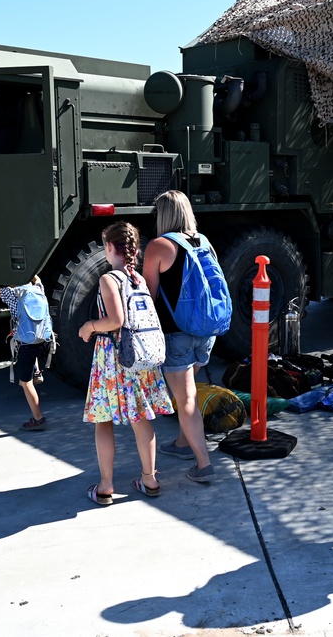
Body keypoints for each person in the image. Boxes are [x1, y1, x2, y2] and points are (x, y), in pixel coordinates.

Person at [78, 221, 172, 505]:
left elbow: (116, 321)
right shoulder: (138, 280)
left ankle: (106, 485)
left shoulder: (109, 279)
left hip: (113, 357)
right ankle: (149, 478)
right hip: (139, 357)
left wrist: (90, 326)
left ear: (109, 247)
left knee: (103, 420)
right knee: (141, 418)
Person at [143, 190, 217, 483]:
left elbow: (149, 295)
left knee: (185, 399)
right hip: (205, 331)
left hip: (177, 335)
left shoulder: (159, 246)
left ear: (163, 214)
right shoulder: (204, 242)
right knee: (189, 392)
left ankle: (204, 465)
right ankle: (183, 445)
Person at [0, 277, 51, 431]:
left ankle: (38, 419)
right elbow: (38, 278)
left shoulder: (10, 293)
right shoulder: (39, 288)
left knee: (25, 383)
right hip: (44, 340)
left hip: (27, 345)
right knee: (27, 372)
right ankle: (36, 371)